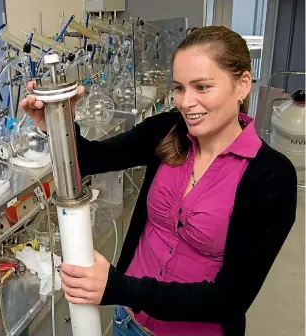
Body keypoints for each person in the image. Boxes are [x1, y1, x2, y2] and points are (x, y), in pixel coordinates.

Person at [19, 26, 298, 336]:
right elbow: (92, 159)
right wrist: (57, 125)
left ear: (242, 84)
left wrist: (121, 288)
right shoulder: (169, 131)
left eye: (202, 87)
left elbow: (230, 298)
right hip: (130, 320)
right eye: (179, 88)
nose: (186, 102)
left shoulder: (271, 176)